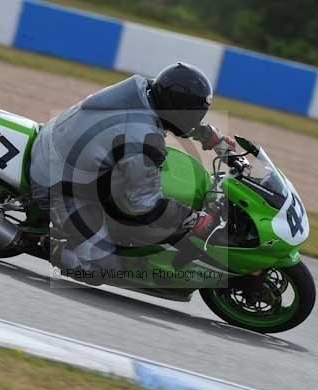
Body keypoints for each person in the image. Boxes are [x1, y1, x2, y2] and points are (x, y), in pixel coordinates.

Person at [29, 62, 236, 276]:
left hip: (58, 145)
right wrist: (193, 218)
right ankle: (55, 246)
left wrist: (212, 137)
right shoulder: (143, 139)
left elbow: (172, 115)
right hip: (57, 185)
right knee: (107, 269)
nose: (195, 119)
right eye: (194, 115)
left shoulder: (141, 91)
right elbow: (142, 204)